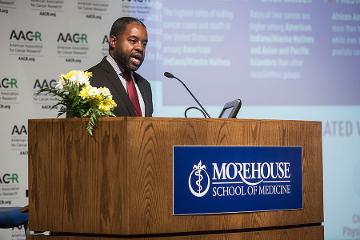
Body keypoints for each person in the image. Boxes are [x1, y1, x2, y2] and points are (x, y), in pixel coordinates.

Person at [88, 17, 153, 117]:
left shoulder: (145, 85)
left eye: (144, 44)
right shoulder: (89, 81)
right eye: (133, 41)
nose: (140, 48)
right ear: (113, 41)